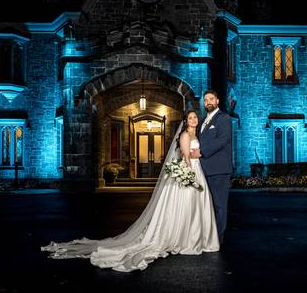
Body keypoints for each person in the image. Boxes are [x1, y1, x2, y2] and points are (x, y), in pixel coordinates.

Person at [41, 110, 219, 272]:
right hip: (190, 172)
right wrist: (188, 177)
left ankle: (196, 238)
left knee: (196, 207)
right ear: (186, 121)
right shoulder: (185, 135)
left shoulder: (197, 134)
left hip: (198, 171)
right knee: (188, 207)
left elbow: (197, 154)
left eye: (195, 117)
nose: (194, 120)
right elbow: (186, 157)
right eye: (190, 118)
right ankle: (186, 239)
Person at [191, 90, 233, 244]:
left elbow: (223, 140)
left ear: (217, 101)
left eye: (211, 99)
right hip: (203, 170)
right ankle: (208, 235)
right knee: (207, 205)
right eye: (205, 99)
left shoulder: (224, 118)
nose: (208, 102)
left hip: (219, 169)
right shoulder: (202, 121)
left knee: (219, 205)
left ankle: (219, 238)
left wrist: (201, 151)